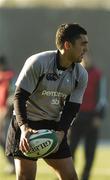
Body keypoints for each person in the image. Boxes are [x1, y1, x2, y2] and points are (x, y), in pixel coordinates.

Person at [5, 23, 89, 180]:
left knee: (70, 176)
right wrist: (24, 128)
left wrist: (61, 133)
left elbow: (72, 108)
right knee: (25, 177)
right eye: (82, 44)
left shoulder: (81, 74)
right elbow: (19, 97)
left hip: (53, 127)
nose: (86, 49)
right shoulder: (38, 62)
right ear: (67, 45)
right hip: (27, 125)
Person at [70, 54, 107, 180]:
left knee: (90, 151)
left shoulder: (98, 74)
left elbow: (102, 97)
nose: (84, 59)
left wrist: (99, 116)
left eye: (86, 57)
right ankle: (68, 174)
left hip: (91, 118)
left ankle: (85, 176)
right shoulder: (73, 72)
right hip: (75, 117)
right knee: (70, 149)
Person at [0, 55, 15, 173]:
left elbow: (13, 95)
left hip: (8, 114)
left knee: (7, 140)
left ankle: (14, 165)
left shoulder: (9, 76)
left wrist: (6, 110)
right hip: (1, 112)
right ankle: (12, 164)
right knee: (3, 140)